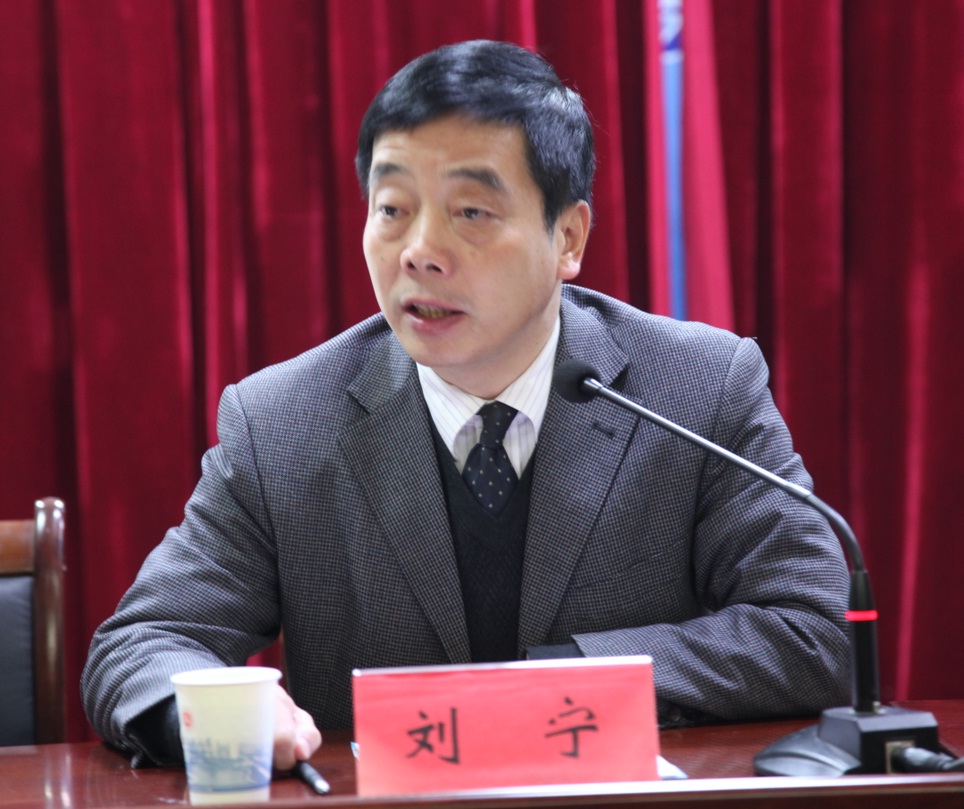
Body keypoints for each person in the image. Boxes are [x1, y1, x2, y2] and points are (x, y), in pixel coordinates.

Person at [81, 39, 850, 770]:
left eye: (471, 212)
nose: (420, 250)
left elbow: (812, 630)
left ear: (568, 237)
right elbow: (142, 643)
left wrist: (564, 682)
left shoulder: (699, 389)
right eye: (392, 209)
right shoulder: (282, 423)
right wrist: (215, 713)